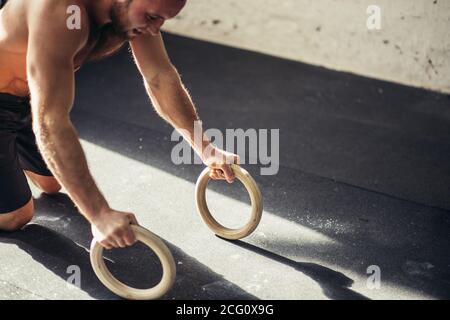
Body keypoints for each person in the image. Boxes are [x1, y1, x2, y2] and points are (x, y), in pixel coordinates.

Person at [0, 0, 240, 249]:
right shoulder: (59, 11)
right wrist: (99, 214)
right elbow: (51, 121)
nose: (154, 27)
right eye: (151, 17)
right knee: (15, 217)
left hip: (30, 100)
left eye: (162, 20)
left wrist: (206, 148)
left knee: (52, 183)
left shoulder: (135, 17)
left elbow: (159, 76)